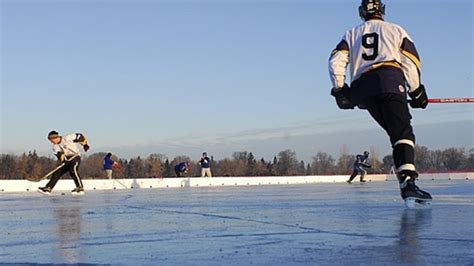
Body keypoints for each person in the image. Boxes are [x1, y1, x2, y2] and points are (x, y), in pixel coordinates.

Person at [328, 0, 431, 206]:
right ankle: (408, 184)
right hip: (388, 82)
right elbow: (410, 61)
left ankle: (407, 181)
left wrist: (340, 89)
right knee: (403, 133)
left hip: (363, 90)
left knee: (396, 134)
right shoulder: (395, 30)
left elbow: (336, 60)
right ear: (382, 10)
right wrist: (416, 89)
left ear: (361, 12)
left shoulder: (351, 34)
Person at [38, 130, 90, 195]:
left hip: (75, 157)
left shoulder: (68, 138)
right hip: (67, 159)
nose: (51, 142)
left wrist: (85, 144)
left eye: (51, 140)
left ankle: (80, 187)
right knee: (57, 172)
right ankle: (48, 188)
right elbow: (59, 155)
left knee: (73, 170)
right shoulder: (55, 147)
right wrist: (63, 159)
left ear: (55, 138)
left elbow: (80, 136)